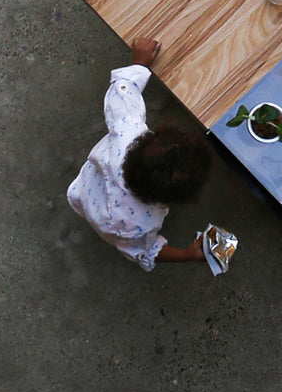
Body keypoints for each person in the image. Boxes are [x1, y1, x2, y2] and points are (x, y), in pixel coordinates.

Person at [67, 38, 212, 271]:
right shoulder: (138, 225)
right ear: (174, 200)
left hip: (84, 191)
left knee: (85, 200)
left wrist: (139, 64)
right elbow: (145, 250)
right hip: (114, 225)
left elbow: (121, 92)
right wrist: (187, 254)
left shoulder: (128, 131)